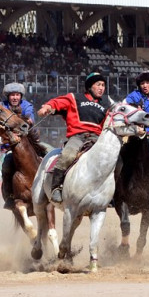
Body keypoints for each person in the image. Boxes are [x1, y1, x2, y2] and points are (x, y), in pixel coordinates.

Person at [37, 72, 112, 203]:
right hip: (78, 136)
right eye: (98, 85)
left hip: (97, 138)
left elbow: (117, 114)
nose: (101, 88)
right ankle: (56, 188)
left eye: (103, 85)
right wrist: (48, 107)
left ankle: (112, 192)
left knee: (113, 159)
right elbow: (58, 102)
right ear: (90, 87)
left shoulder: (107, 102)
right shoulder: (74, 98)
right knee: (68, 155)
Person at [0, 82, 42, 210]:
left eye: (17, 95)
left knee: (50, 155)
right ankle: (9, 197)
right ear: (8, 96)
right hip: (9, 147)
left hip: (31, 145)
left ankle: (53, 191)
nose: (15, 98)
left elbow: (29, 120)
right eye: (12, 95)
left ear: (21, 96)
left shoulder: (27, 105)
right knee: (7, 164)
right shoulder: (2, 106)